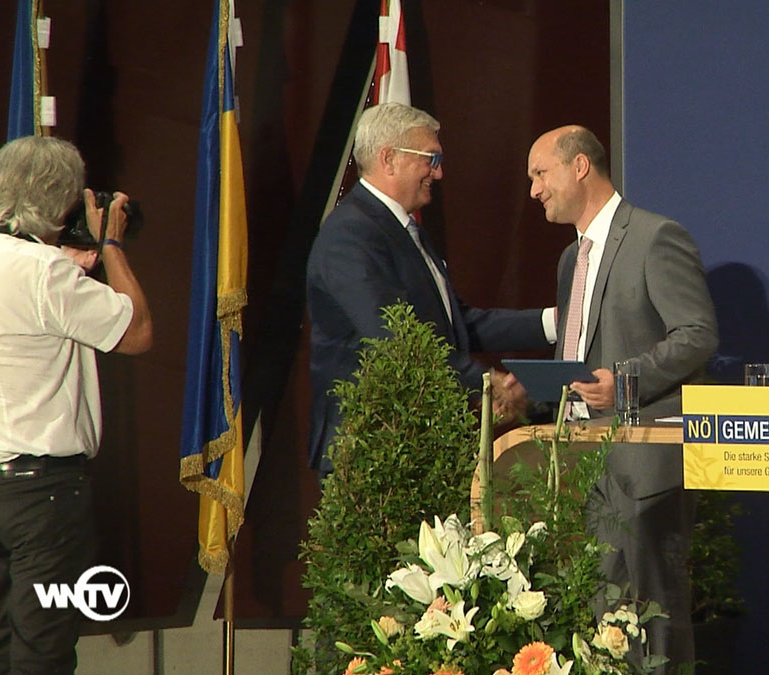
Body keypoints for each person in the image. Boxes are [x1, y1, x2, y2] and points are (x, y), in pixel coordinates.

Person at [0, 135, 152, 674]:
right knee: (43, 655)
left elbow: (21, 308)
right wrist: (111, 245)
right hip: (43, 497)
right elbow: (138, 331)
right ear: (60, 203)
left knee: (1, 652)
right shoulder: (44, 273)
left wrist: (63, 260)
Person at [527, 125, 718, 672]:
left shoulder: (656, 237)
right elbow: (578, 350)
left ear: (579, 166)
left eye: (540, 174)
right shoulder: (571, 259)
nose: (534, 190)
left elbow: (698, 334)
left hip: (644, 465)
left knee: (654, 616)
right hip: (581, 464)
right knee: (600, 619)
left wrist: (625, 381)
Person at [305, 102, 554, 475]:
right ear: (389, 159)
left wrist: (554, 322)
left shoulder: (404, 230)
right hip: (372, 449)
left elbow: (455, 325)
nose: (439, 173)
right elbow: (394, 338)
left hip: (417, 444)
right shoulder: (350, 235)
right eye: (431, 159)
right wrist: (487, 384)